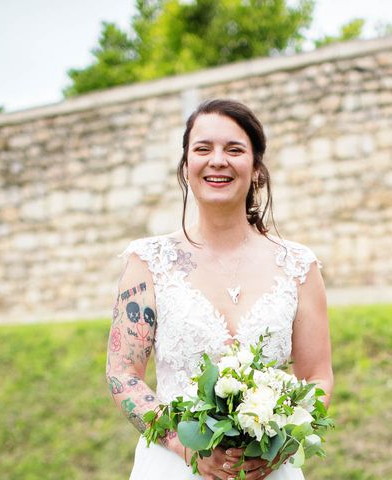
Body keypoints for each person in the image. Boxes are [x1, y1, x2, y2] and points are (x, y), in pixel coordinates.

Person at [105, 99, 333, 480]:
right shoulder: (148, 262)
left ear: (256, 168)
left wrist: (285, 446)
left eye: (234, 149)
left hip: (268, 471)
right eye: (203, 148)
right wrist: (183, 444)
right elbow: (123, 374)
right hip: (172, 466)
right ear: (186, 167)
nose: (217, 160)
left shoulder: (298, 267)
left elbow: (317, 376)